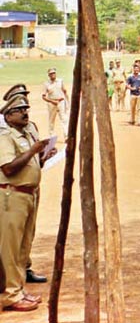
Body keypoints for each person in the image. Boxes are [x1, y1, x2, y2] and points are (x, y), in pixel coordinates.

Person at [0, 87, 57, 312]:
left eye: (26, 108)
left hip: (29, 194)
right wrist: (33, 151)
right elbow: (9, 167)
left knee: (24, 246)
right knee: (10, 249)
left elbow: (32, 164)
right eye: (19, 110)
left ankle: (19, 289)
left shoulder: (28, 131)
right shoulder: (5, 135)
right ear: (8, 115)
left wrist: (42, 156)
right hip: (11, 195)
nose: (25, 112)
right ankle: (9, 295)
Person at [41, 68, 68, 138]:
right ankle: (51, 135)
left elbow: (64, 91)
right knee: (51, 120)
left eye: (54, 73)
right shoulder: (46, 84)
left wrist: (67, 101)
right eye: (51, 74)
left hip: (61, 102)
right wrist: (52, 101)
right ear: (49, 75)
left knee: (64, 119)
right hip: (52, 103)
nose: (53, 75)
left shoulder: (60, 81)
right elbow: (43, 97)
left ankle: (66, 135)